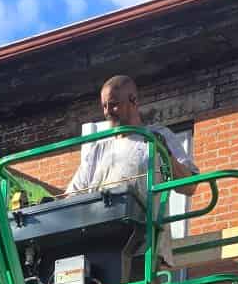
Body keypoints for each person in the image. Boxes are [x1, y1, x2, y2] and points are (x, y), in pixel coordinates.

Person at [65, 74, 197, 196]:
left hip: (144, 220)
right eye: (104, 106)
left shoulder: (157, 136)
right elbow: (71, 197)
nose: (107, 112)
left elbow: (189, 186)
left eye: (113, 105)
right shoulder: (98, 150)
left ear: (133, 100)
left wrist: (165, 154)